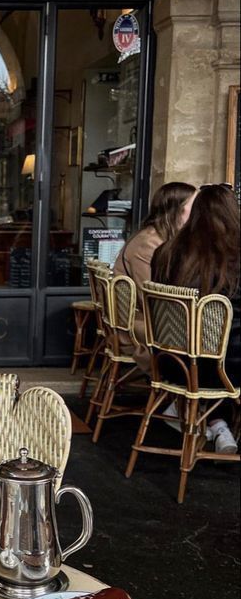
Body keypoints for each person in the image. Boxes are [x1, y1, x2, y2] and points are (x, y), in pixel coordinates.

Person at [151, 184, 240, 454]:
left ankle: (216, 423)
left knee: (214, 348)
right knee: (224, 349)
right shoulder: (234, 259)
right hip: (226, 369)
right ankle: (220, 423)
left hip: (173, 362)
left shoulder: (165, 253)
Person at [113, 181, 196, 371]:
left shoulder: (159, 238)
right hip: (137, 326)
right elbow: (153, 298)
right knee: (202, 338)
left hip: (143, 320)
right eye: (194, 207)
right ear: (177, 210)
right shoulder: (149, 244)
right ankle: (183, 388)